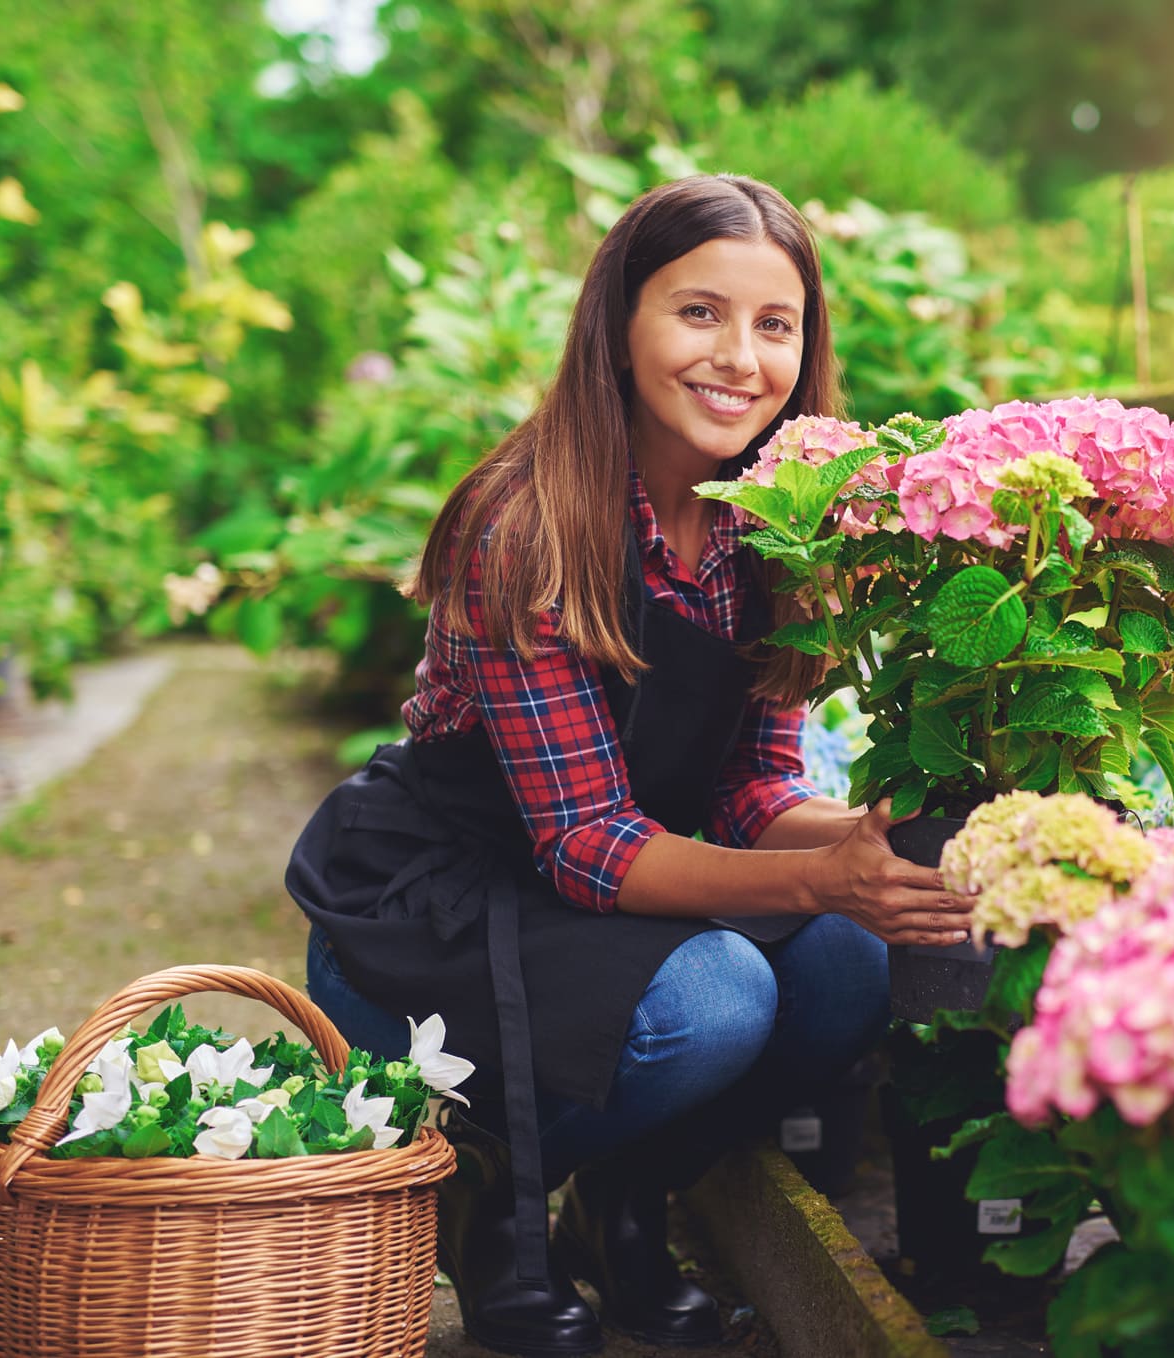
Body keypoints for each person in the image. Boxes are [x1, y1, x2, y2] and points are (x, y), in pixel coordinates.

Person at [284, 175, 976, 1356]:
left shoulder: (777, 523)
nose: (741, 358)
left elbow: (756, 793)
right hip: (442, 911)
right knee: (718, 996)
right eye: (698, 313)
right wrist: (822, 881)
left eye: (776, 324)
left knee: (863, 956)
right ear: (618, 324)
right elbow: (586, 838)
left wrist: (898, 840)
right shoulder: (528, 524)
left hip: (610, 898)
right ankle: (493, 1195)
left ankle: (627, 1199)